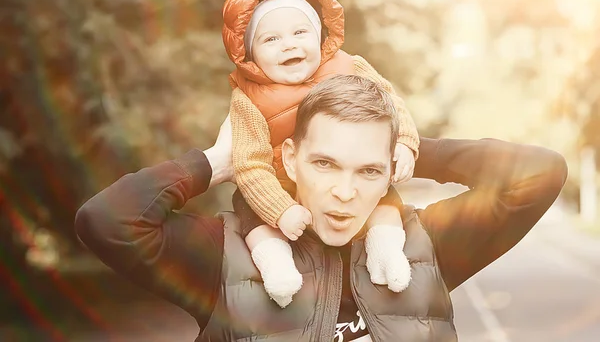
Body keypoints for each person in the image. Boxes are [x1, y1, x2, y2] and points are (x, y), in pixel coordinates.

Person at [75, 74, 568, 342]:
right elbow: (107, 221)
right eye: (326, 164)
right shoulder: (226, 256)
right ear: (290, 159)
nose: (345, 192)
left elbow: (538, 174)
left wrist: (412, 150)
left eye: (368, 171)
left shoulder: (424, 249)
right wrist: (218, 162)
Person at [224, 0, 419, 307]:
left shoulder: (350, 66)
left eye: (300, 32)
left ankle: (385, 249)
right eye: (270, 39)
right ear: (250, 54)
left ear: (319, 37)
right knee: (249, 213)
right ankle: (276, 266)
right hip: (276, 187)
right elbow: (249, 165)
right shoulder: (248, 101)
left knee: (386, 200)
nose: (289, 44)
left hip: (346, 166)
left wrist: (404, 142)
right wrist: (281, 210)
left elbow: (391, 103)